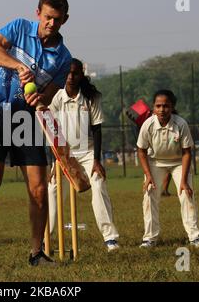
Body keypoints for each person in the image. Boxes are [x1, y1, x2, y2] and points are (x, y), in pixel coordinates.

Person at [0, 0, 72, 272]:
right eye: (47, 17)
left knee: (38, 188)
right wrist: (18, 65)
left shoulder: (63, 57)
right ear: (38, 13)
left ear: (65, 20)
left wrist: (40, 98)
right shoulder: (19, 27)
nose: (50, 23)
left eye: (57, 19)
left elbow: (48, 95)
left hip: (26, 116)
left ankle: (37, 253)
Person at [48, 58, 120, 252]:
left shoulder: (91, 97)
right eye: (68, 73)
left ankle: (110, 238)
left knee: (98, 183)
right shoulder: (56, 97)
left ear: (81, 75)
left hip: (87, 151)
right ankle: (47, 238)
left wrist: (97, 160)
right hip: (64, 153)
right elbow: (51, 131)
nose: (71, 77)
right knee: (52, 190)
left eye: (75, 73)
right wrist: (53, 162)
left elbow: (97, 129)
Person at [137, 89, 199, 248]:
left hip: (178, 162)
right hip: (155, 162)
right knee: (149, 195)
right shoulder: (148, 124)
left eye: (166, 106)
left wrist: (183, 182)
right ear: (153, 107)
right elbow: (141, 151)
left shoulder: (181, 124)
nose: (162, 110)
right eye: (158, 106)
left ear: (172, 107)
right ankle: (149, 238)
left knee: (186, 195)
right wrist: (148, 176)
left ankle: (195, 237)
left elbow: (187, 152)